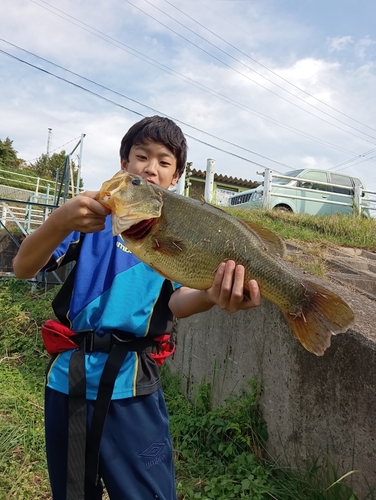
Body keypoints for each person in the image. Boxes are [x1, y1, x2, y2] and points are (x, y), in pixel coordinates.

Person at [13, 115, 261, 500]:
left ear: (175, 177)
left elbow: (178, 303)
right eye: (141, 157)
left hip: (133, 383)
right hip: (68, 381)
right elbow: (23, 266)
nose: (150, 168)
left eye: (164, 162)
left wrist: (213, 295)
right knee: (73, 492)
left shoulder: (175, 233)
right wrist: (59, 220)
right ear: (123, 163)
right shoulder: (86, 221)